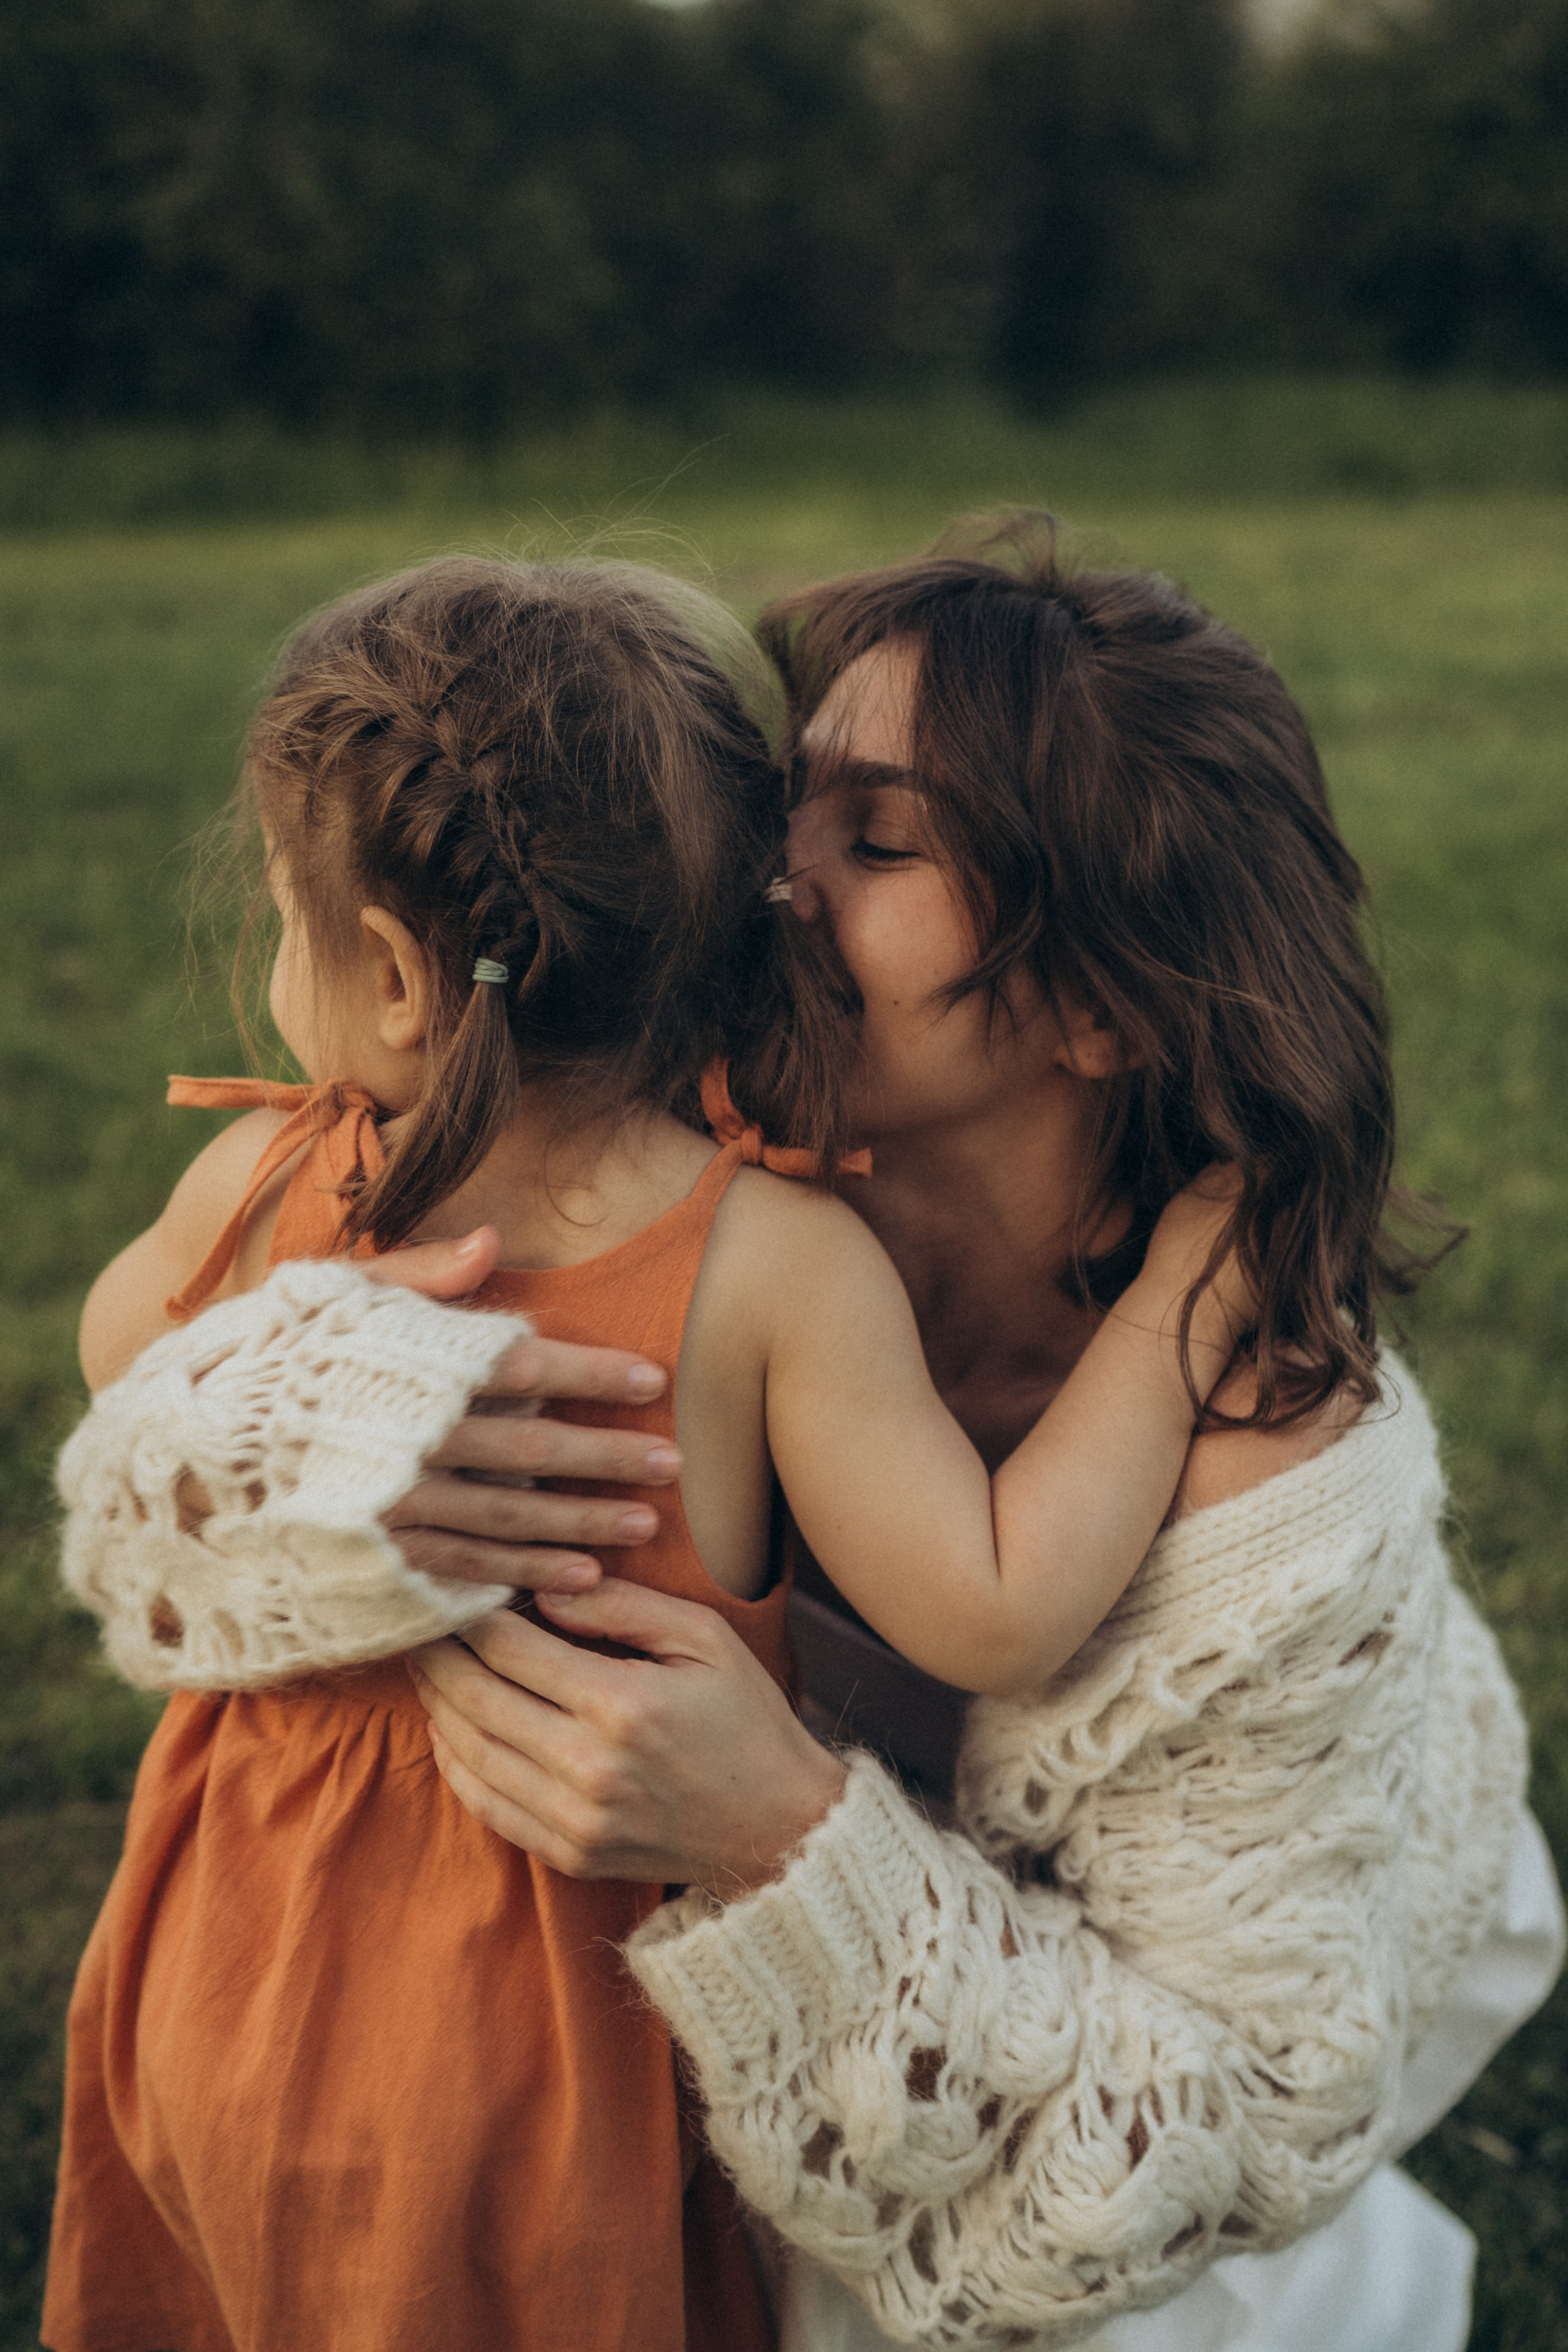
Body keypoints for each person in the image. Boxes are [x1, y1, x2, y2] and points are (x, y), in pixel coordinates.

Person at [51, 524, 1561, 2351]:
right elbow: (151, 1437)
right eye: (788, 805)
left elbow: (1203, 2139)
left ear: (1102, 1001)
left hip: (1085, 2082)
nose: (770, 877)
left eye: (881, 841)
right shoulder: (630, 1123)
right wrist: (308, 1445)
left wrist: (781, 1838)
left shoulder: (1267, 1466)